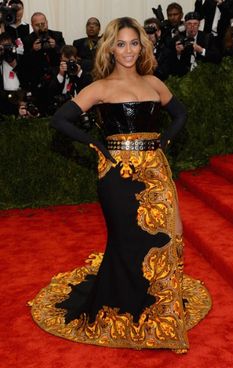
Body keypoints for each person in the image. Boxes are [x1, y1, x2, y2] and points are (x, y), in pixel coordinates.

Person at [29, 17, 211, 352]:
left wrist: (164, 142)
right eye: (121, 44)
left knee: (168, 235)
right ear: (111, 48)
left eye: (134, 43)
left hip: (155, 170)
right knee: (127, 240)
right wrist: (96, 145)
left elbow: (181, 114)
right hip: (117, 176)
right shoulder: (99, 87)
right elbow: (60, 119)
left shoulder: (154, 82)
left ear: (142, 46)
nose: (128, 50)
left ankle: (161, 312)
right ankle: (125, 305)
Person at [172, 11, 222, 76]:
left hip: (202, 75)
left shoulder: (207, 37)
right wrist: (178, 53)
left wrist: (201, 51)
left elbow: (218, 58)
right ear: (185, 24)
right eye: (189, 24)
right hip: (183, 76)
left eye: (195, 24)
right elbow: (170, 63)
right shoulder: (178, 38)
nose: (192, 27)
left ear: (199, 25)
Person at [73, 17, 101, 86]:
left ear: (99, 29)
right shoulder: (77, 43)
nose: (91, 26)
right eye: (88, 24)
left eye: (95, 24)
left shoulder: (105, 43)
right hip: (82, 80)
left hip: (100, 79)